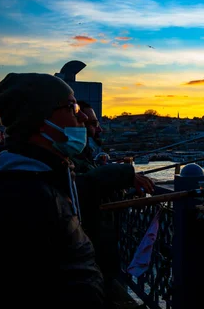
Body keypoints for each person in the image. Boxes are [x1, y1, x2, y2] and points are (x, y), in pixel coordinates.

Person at [0, 73, 105, 308]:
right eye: (72, 107)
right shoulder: (24, 199)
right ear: (41, 120)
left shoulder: (41, 177)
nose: (83, 116)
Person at [72, 101, 155, 307]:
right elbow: (81, 185)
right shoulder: (64, 161)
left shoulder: (82, 156)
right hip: (85, 262)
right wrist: (124, 174)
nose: (97, 129)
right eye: (91, 124)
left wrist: (124, 188)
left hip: (96, 259)